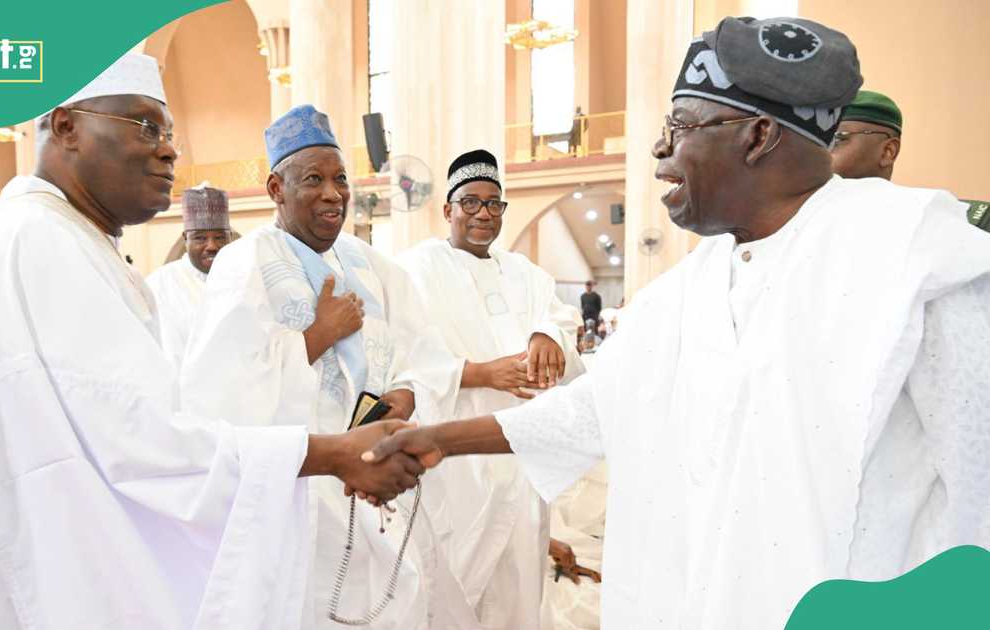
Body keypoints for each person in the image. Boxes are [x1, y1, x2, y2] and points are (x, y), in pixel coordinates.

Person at [360, 17, 990, 630]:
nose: (660, 148)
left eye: (680, 126)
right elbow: (596, 409)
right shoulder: (688, 287)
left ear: (759, 135)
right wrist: (444, 439)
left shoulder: (915, 259)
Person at [0, 54, 425, 630]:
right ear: (66, 128)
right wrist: (333, 454)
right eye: (146, 128)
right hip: (38, 574)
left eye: (170, 134)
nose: (169, 150)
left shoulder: (58, 237)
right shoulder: (37, 242)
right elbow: (141, 439)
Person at [180, 105, 469, 629]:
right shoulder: (243, 263)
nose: (333, 193)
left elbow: (425, 353)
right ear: (275, 188)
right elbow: (217, 391)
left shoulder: (372, 263)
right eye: (313, 179)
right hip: (304, 488)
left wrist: (404, 395)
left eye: (339, 179)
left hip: (379, 474)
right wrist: (317, 335)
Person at [397, 149, 588, 629]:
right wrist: (481, 373)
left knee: (520, 579)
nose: (483, 214)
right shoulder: (416, 270)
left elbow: (559, 313)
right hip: (459, 457)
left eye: (493, 204)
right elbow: (401, 355)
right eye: (471, 203)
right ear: (448, 209)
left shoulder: (523, 271)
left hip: (523, 453)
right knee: (456, 575)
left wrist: (549, 334)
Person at [832, 89, 989, 231]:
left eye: (835, 140)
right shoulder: (814, 228)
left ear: (888, 151)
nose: (817, 156)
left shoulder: (965, 224)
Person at [145, 184, 231, 367]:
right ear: (186, 239)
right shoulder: (160, 284)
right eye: (200, 237)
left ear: (230, 237)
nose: (212, 246)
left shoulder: (244, 277)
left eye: (220, 237)